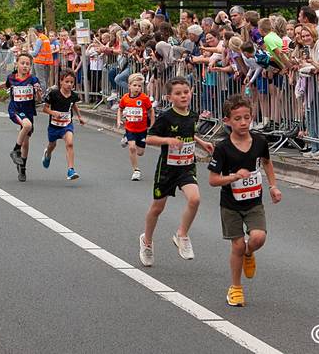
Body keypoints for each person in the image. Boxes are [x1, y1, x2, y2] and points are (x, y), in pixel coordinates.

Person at [208, 95, 282, 307]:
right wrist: (233, 177)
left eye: (247, 117)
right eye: (237, 118)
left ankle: (249, 253)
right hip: (230, 205)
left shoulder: (259, 142)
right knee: (237, 245)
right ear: (227, 121)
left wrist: (273, 186)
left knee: (258, 238)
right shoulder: (223, 148)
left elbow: (266, 162)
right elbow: (213, 180)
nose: (243, 122)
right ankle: (235, 288)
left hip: (253, 202)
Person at [139, 77, 214, 267]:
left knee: (195, 199)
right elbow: (149, 138)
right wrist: (168, 141)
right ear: (169, 97)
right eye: (178, 93)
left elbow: (189, 133)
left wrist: (201, 142)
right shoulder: (166, 117)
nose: (183, 96)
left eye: (186, 92)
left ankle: (182, 234)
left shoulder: (193, 115)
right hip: (167, 169)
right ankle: (146, 241)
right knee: (157, 208)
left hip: (186, 166)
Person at [0, 54, 42, 182]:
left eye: (27, 64)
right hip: (16, 110)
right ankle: (15, 150)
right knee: (27, 125)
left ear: (30, 66)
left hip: (28, 112)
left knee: (26, 142)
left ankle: (22, 168)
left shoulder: (33, 79)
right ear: (17, 64)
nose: (25, 66)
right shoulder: (12, 78)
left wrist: (37, 92)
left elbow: (38, 99)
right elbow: (5, 84)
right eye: (22, 63)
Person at [41, 69, 86, 180]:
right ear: (61, 82)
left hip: (67, 125)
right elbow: (44, 109)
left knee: (70, 143)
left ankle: (71, 170)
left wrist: (79, 116)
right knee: (52, 145)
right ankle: (47, 154)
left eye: (71, 82)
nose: (69, 84)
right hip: (54, 126)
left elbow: (73, 104)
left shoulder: (73, 95)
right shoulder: (53, 94)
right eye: (67, 81)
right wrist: (53, 113)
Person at [117, 73, 154, 181]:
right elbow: (120, 109)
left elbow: (151, 111)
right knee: (132, 148)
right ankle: (136, 170)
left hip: (142, 130)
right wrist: (119, 120)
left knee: (140, 152)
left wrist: (152, 125)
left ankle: (126, 138)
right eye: (135, 85)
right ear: (129, 86)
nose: (137, 88)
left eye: (139, 86)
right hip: (130, 129)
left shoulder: (144, 98)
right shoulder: (125, 98)